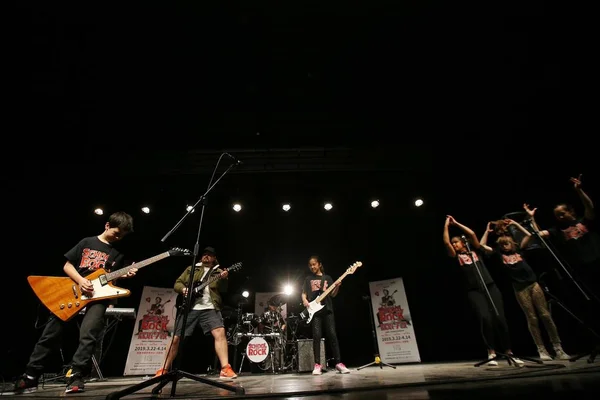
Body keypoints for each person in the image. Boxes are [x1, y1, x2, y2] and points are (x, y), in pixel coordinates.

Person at [13, 211, 136, 394]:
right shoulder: (87, 242)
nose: (118, 237)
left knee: (89, 336)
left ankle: (76, 376)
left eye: (122, 236)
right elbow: (67, 265)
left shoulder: (117, 253)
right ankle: (30, 375)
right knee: (50, 334)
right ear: (107, 226)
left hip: (98, 297)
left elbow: (110, 281)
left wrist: (124, 275)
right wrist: (80, 280)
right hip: (73, 292)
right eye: (116, 233)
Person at [479, 219, 570, 360]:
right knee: (532, 318)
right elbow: (481, 245)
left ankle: (558, 347)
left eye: (507, 243)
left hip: (533, 284)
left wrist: (515, 224)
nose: (505, 245)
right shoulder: (498, 253)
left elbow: (528, 235)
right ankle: (542, 349)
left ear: (512, 242)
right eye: (502, 244)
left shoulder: (520, 249)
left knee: (545, 315)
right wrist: (486, 231)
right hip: (520, 288)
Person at [442, 215, 523, 366]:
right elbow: (446, 242)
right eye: (453, 243)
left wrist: (457, 223)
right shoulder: (456, 257)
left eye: (456, 242)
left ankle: (509, 352)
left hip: (490, 287)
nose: (454, 245)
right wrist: (447, 226)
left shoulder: (475, 252)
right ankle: (491, 352)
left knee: (500, 318)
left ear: (462, 242)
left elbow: (472, 234)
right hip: (474, 291)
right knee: (485, 318)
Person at [155, 246, 237, 379]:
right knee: (176, 339)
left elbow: (223, 289)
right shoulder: (191, 269)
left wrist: (224, 278)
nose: (206, 256)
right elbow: (177, 283)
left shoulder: (218, 272)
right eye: (205, 254)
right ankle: (163, 369)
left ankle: (225, 368)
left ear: (214, 258)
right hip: (190, 307)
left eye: (210, 254)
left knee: (220, 333)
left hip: (210, 307)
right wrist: (184, 290)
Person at [301, 255, 350, 375]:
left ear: (319, 264)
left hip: (327, 309)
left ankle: (338, 363)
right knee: (316, 336)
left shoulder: (327, 278)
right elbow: (303, 293)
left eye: (314, 264)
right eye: (310, 265)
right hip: (315, 311)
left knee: (332, 335)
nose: (312, 266)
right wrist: (305, 301)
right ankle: (317, 364)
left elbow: (333, 294)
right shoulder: (308, 279)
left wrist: (337, 286)